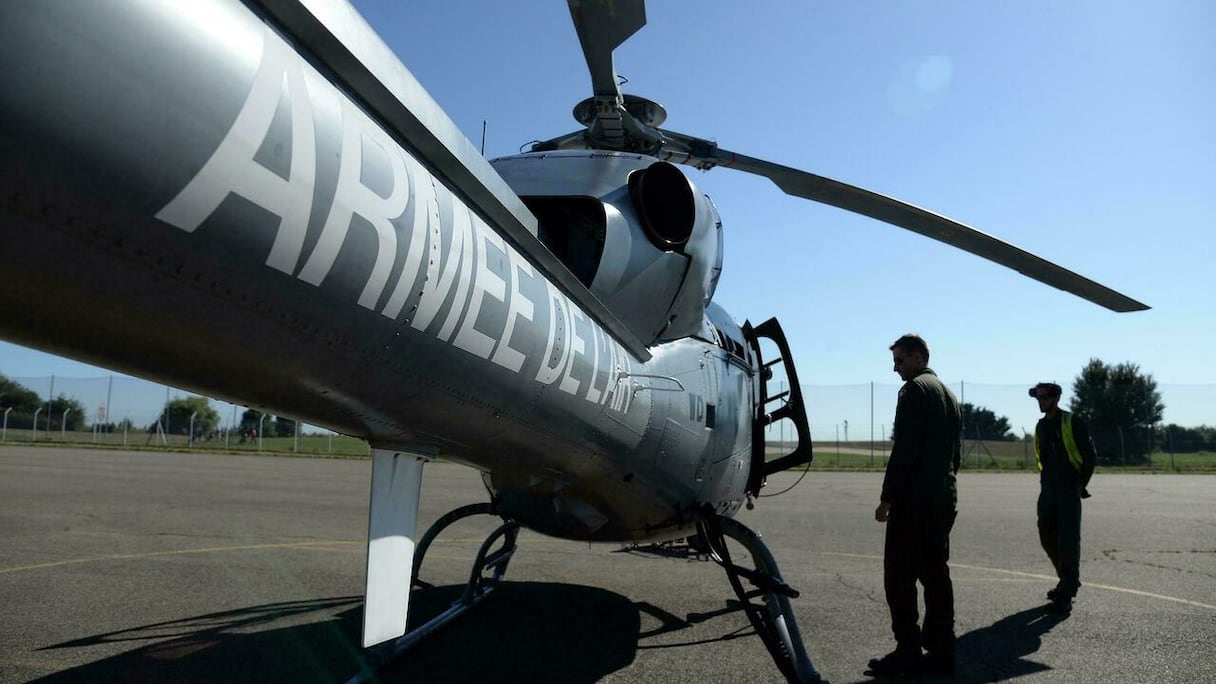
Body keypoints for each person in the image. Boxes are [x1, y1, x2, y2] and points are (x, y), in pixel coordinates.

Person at [868, 334, 962, 678]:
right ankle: (941, 651)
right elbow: (955, 455)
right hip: (942, 498)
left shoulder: (914, 391)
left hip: (914, 503)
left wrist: (888, 497)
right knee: (936, 575)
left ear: (919, 357)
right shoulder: (949, 396)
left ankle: (908, 650)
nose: (896, 369)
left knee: (899, 576)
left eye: (900, 360)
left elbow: (905, 450)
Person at [1029, 382, 1096, 615]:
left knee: (1068, 538)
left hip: (1068, 487)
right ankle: (1066, 580)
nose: (1041, 401)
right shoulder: (1041, 426)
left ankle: (1066, 593)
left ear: (1056, 398)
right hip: (1048, 488)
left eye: (1045, 397)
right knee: (1046, 534)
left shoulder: (1071, 422)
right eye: (1038, 398)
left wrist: (1081, 484)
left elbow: (1089, 456)